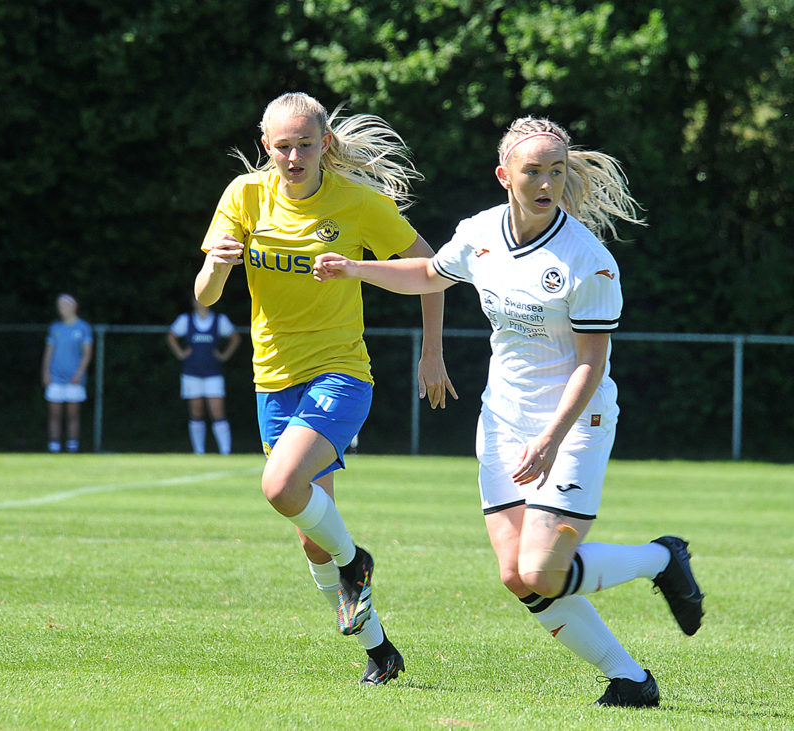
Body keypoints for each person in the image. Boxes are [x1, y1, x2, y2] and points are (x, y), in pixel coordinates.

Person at [313, 116, 704, 706]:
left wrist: (549, 437)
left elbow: (591, 365)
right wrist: (354, 268)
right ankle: (631, 680)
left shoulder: (588, 260)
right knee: (516, 576)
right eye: (533, 171)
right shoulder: (479, 233)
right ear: (505, 176)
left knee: (544, 571)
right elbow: (427, 273)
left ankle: (660, 558)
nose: (546, 183)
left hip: (574, 423)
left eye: (556, 171)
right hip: (503, 420)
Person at [194, 92, 455, 685]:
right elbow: (204, 296)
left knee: (281, 486)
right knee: (312, 536)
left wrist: (432, 351)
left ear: (325, 145)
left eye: (305, 144)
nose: (293, 156)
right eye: (282, 146)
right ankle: (381, 652)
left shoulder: (357, 204)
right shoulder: (244, 196)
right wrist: (219, 266)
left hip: (341, 373)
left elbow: (431, 269)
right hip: (273, 381)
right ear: (267, 145)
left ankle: (354, 560)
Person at [166, 298, 241, 455]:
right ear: (192, 302)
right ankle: (199, 452)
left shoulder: (220, 320)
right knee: (196, 412)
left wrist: (224, 355)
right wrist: (180, 353)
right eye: (197, 299)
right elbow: (171, 336)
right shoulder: (185, 320)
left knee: (218, 412)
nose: (201, 302)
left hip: (213, 373)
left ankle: (225, 451)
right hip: (191, 373)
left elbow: (235, 337)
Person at [42, 294, 94, 453]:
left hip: (74, 378)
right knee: (54, 414)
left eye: (64, 305)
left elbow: (87, 353)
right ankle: (54, 446)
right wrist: (45, 372)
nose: (61, 309)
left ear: (74, 306)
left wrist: (79, 373)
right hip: (55, 377)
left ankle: (72, 446)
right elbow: (49, 352)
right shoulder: (55, 328)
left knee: (73, 414)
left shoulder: (83, 327)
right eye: (59, 306)